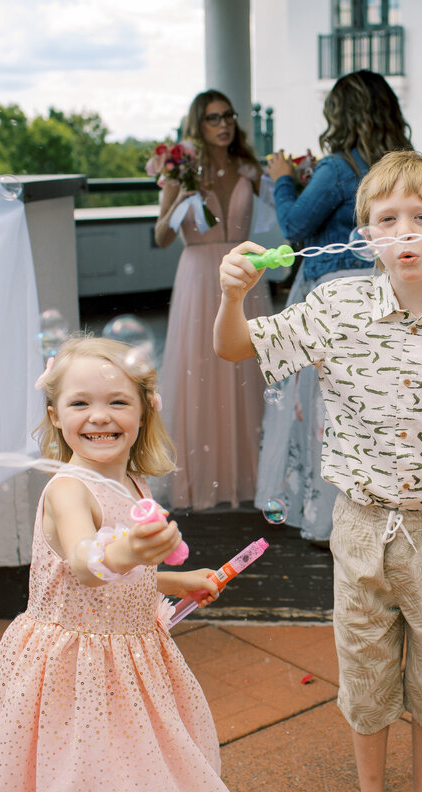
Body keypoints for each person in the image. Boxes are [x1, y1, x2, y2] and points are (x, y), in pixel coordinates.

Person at [215, 151, 422, 792]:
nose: (406, 230)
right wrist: (231, 297)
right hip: (358, 525)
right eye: (388, 218)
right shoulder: (336, 305)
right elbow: (233, 346)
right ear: (366, 234)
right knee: (364, 676)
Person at [0, 335, 235, 792]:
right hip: (73, 667)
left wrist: (173, 578)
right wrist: (133, 552)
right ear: (55, 415)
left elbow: (109, 581)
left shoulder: (133, 483)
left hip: (130, 661)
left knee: (133, 766)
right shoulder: (69, 492)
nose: (99, 416)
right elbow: (86, 565)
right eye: (80, 402)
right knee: (82, 772)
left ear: (145, 412)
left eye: (117, 402)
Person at [256, 69, 414, 545]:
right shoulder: (402, 168)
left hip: (335, 297)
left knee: (326, 406)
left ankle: (327, 518)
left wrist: (283, 180)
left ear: (341, 115)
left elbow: (295, 226)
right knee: (375, 403)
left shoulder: (338, 167)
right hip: (388, 291)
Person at [154, 89, 271, 512]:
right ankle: (198, 481)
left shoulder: (248, 169)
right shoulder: (180, 172)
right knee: (199, 370)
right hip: (198, 278)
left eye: (228, 116)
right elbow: (161, 236)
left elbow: (282, 210)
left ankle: (251, 478)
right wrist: (182, 199)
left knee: (246, 374)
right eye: (213, 118)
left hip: (244, 274)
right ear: (197, 125)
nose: (224, 125)